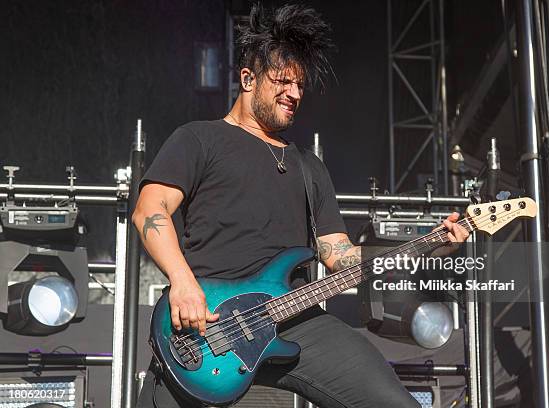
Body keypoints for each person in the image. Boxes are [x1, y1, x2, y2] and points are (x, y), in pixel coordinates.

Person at [133, 4, 469, 408]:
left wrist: (428, 246)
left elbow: (339, 257)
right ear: (247, 79)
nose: (294, 94)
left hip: (296, 319)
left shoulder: (309, 168)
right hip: (209, 323)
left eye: (300, 85)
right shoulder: (198, 140)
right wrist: (182, 281)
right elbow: (149, 209)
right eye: (281, 82)